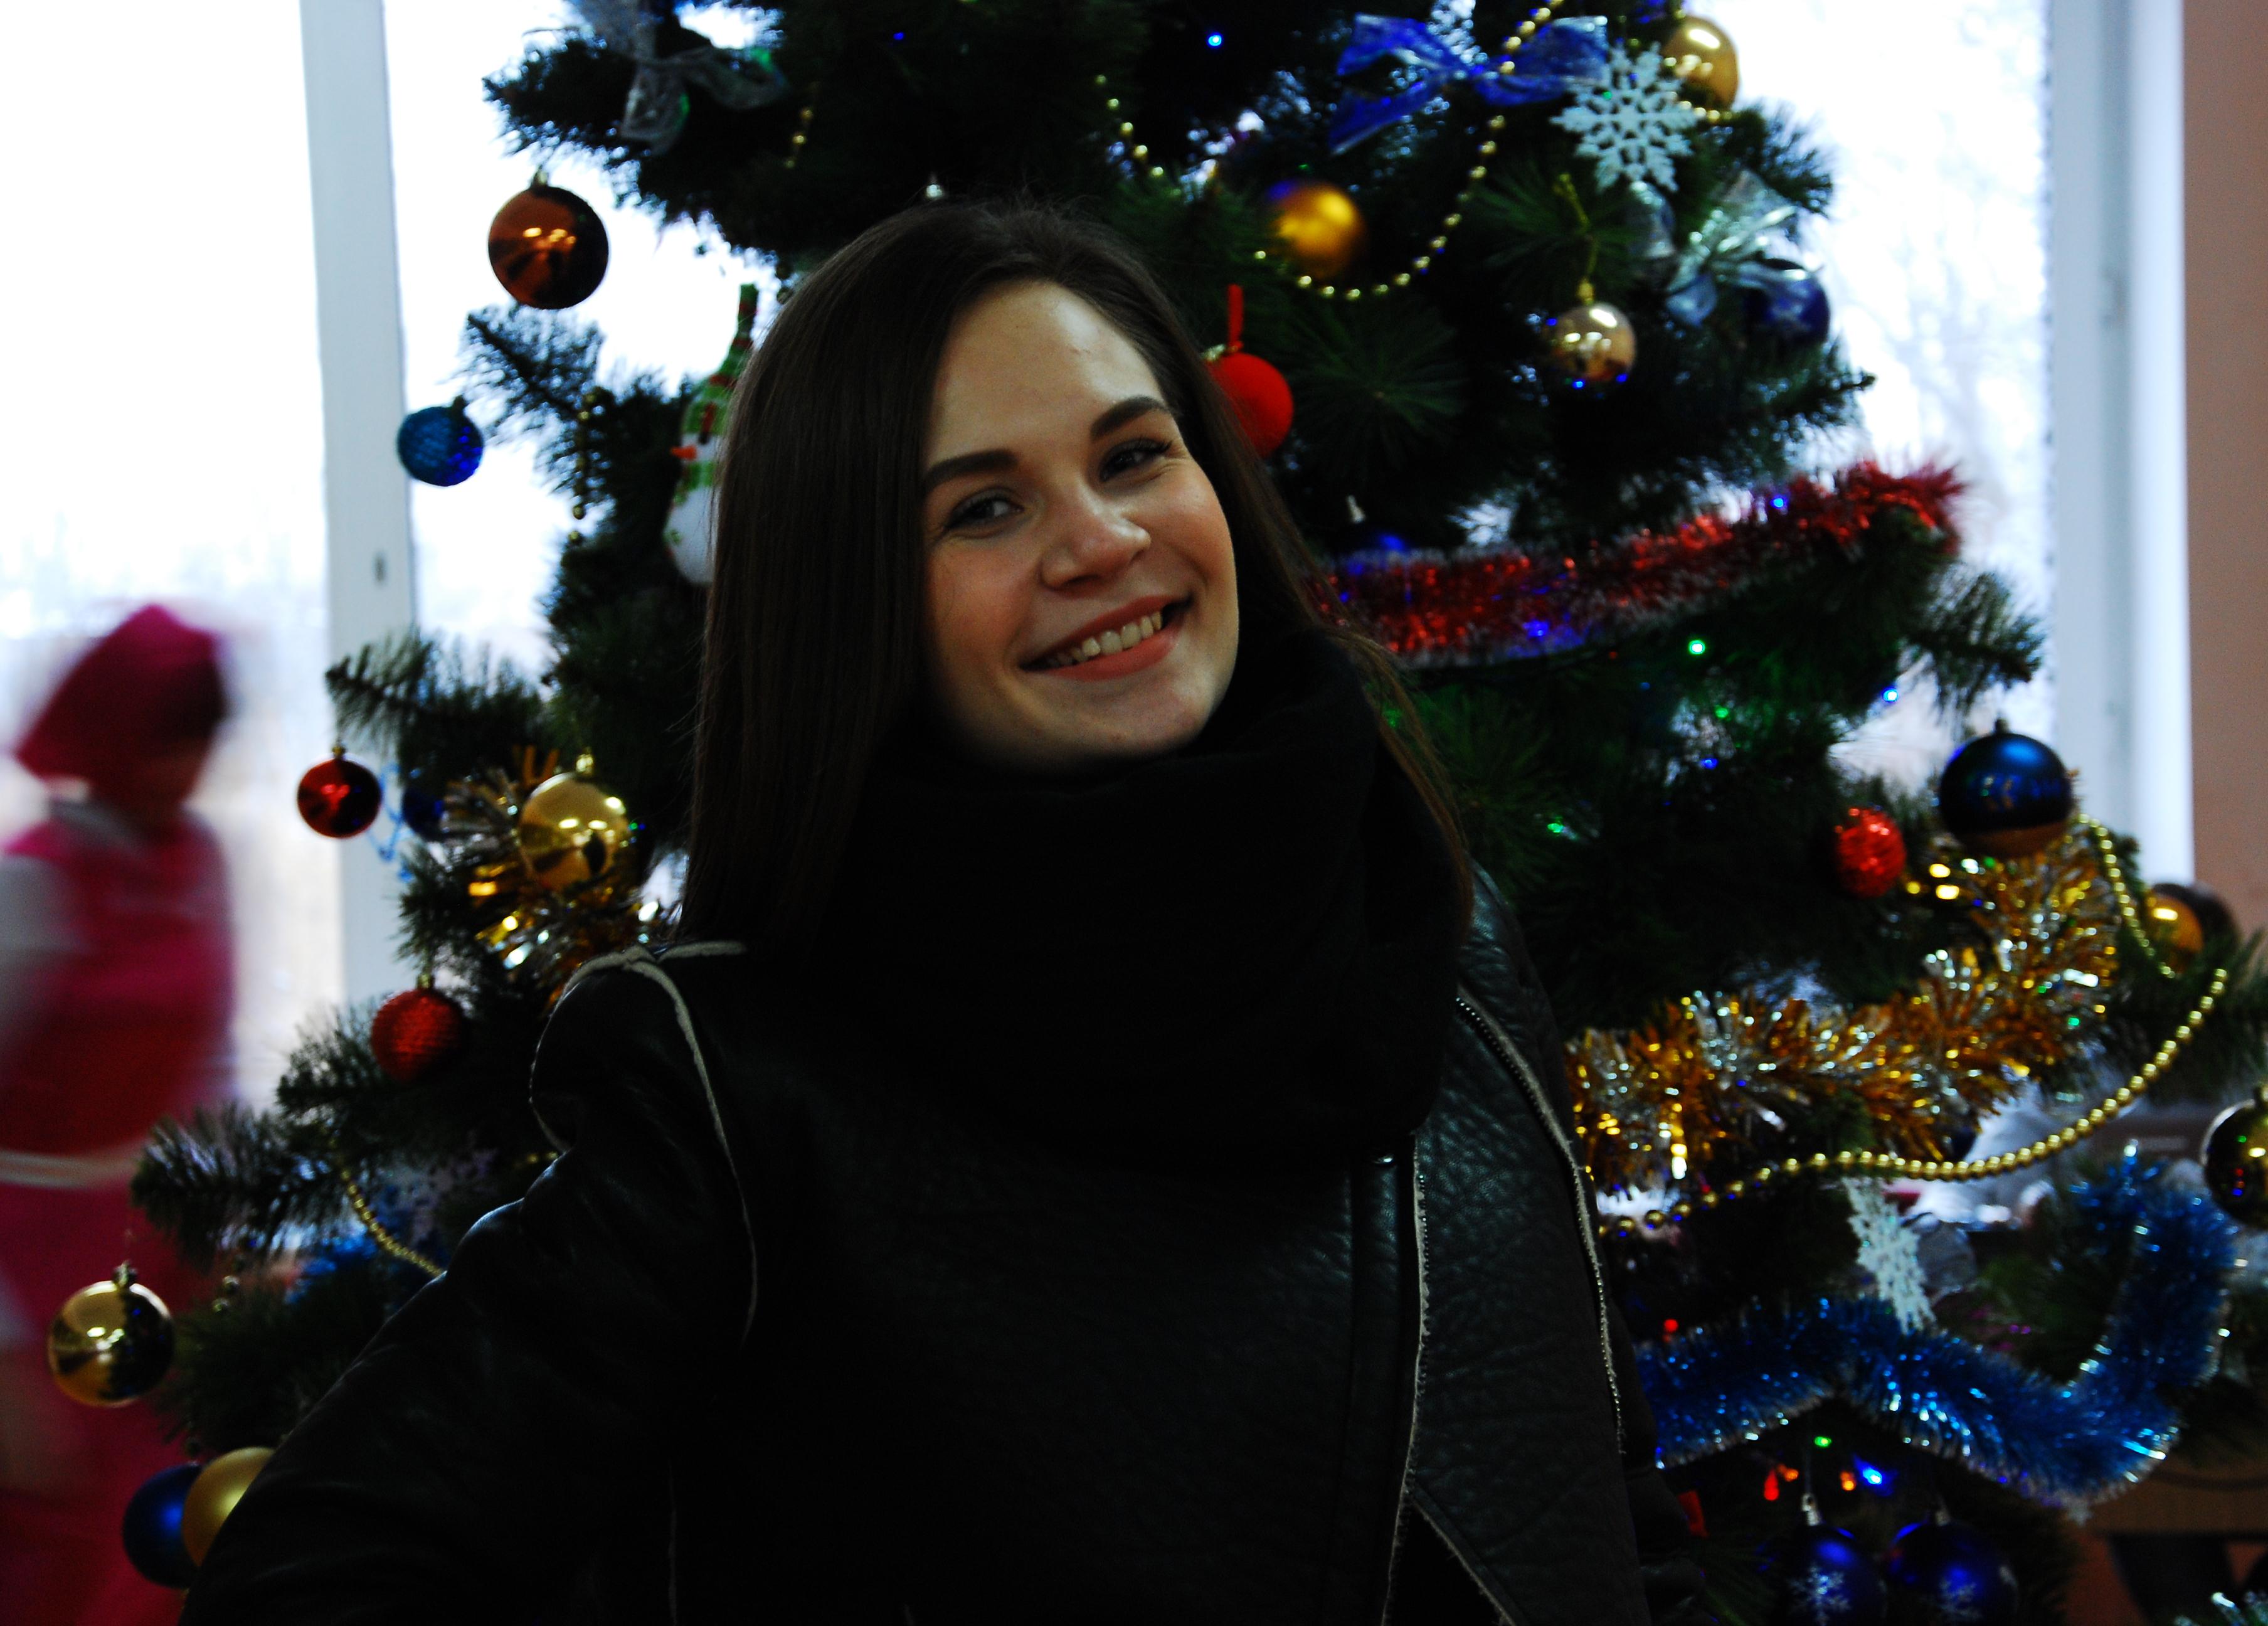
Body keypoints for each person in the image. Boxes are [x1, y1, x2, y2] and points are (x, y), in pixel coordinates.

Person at [179, 203, 1710, 1624]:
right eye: (982, 508)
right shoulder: (737, 1092)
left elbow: (1595, 1514)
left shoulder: (1437, 925)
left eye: (1134, 456)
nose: (1099, 542)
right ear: (857, 607)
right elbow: (312, 1577)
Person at [0, 605, 234, 1626]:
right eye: (167, 744)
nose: (185, 773)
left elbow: (210, 1070)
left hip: (154, 1260)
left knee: (159, 1540)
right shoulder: (29, 887)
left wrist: (222, 1234)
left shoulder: (200, 862)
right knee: (54, 1556)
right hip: (31, 1278)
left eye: (199, 746)